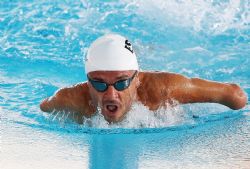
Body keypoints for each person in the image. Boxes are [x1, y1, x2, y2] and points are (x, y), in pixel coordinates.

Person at [40, 34, 247, 123]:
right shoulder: (70, 99)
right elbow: (43, 107)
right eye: (99, 83)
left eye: (122, 83)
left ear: (137, 79)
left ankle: (147, 48)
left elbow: (235, 95)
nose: (111, 94)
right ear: (87, 82)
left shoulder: (162, 90)